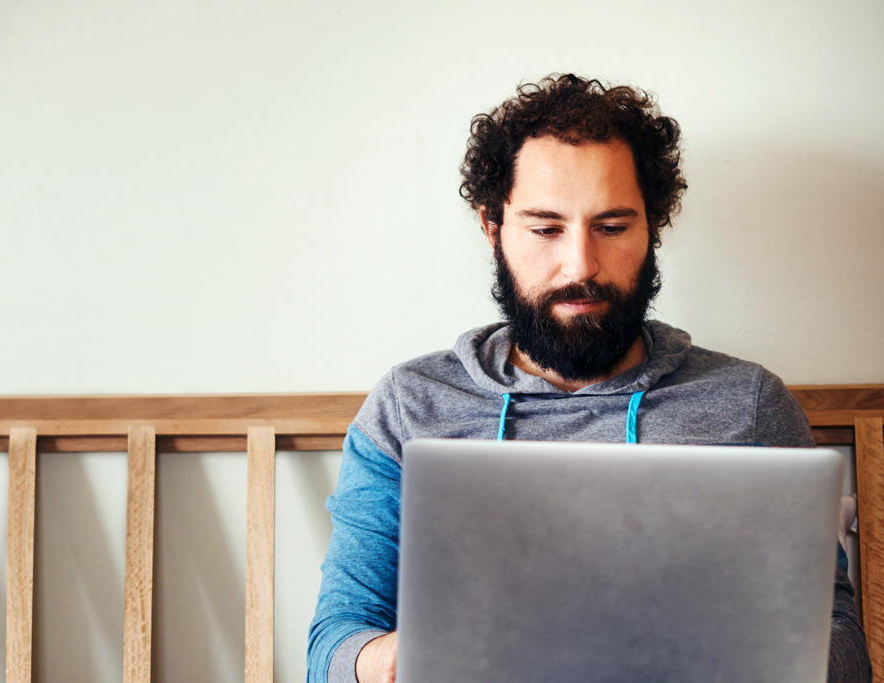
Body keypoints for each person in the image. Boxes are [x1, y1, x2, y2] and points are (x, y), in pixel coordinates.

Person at [307, 74, 871, 683]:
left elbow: (839, 645)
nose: (581, 265)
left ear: (653, 225)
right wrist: (386, 660)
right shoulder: (410, 406)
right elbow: (334, 644)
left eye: (612, 226)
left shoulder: (749, 404)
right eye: (546, 228)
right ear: (492, 226)